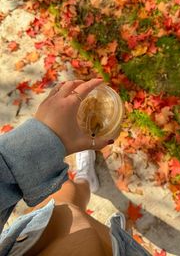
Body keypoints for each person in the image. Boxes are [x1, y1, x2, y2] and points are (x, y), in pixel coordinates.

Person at [0, 79, 151, 256]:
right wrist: (39, 140)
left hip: (31, 246)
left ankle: (85, 179)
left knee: (67, 192)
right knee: (68, 200)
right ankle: (85, 180)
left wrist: (42, 139)